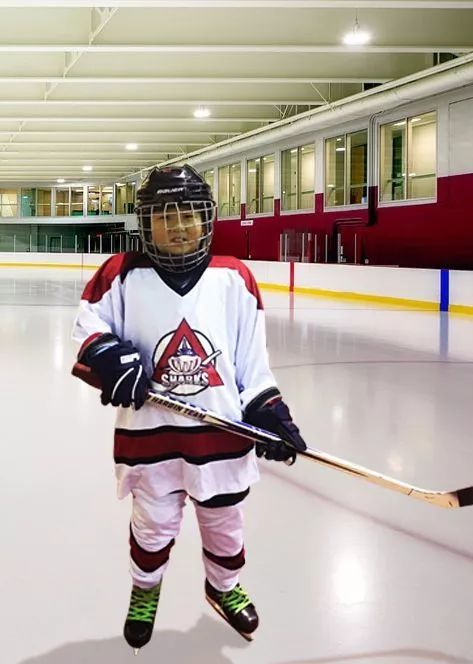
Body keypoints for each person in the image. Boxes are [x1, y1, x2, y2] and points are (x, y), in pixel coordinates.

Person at [71, 164, 307, 653]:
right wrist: (110, 356)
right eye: (165, 215)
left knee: (225, 523)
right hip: (150, 436)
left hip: (221, 439)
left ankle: (222, 588)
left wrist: (270, 411)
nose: (179, 225)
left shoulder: (233, 278)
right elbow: (87, 329)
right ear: (146, 221)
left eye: (190, 214)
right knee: (152, 527)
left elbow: (252, 363)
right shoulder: (122, 274)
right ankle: (145, 590)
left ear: (208, 219)